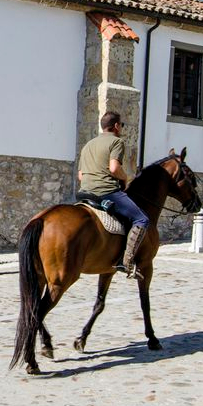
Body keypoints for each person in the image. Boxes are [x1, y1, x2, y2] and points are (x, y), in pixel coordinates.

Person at [77, 110, 149, 279]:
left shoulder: (88, 145)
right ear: (116, 126)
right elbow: (114, 168)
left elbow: (80, 175)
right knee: (142, 219)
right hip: (105, 192)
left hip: (84, 193)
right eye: (121, 125)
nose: (121, 128)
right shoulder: (117, 142)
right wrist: (126, 178)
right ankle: (127, 262)